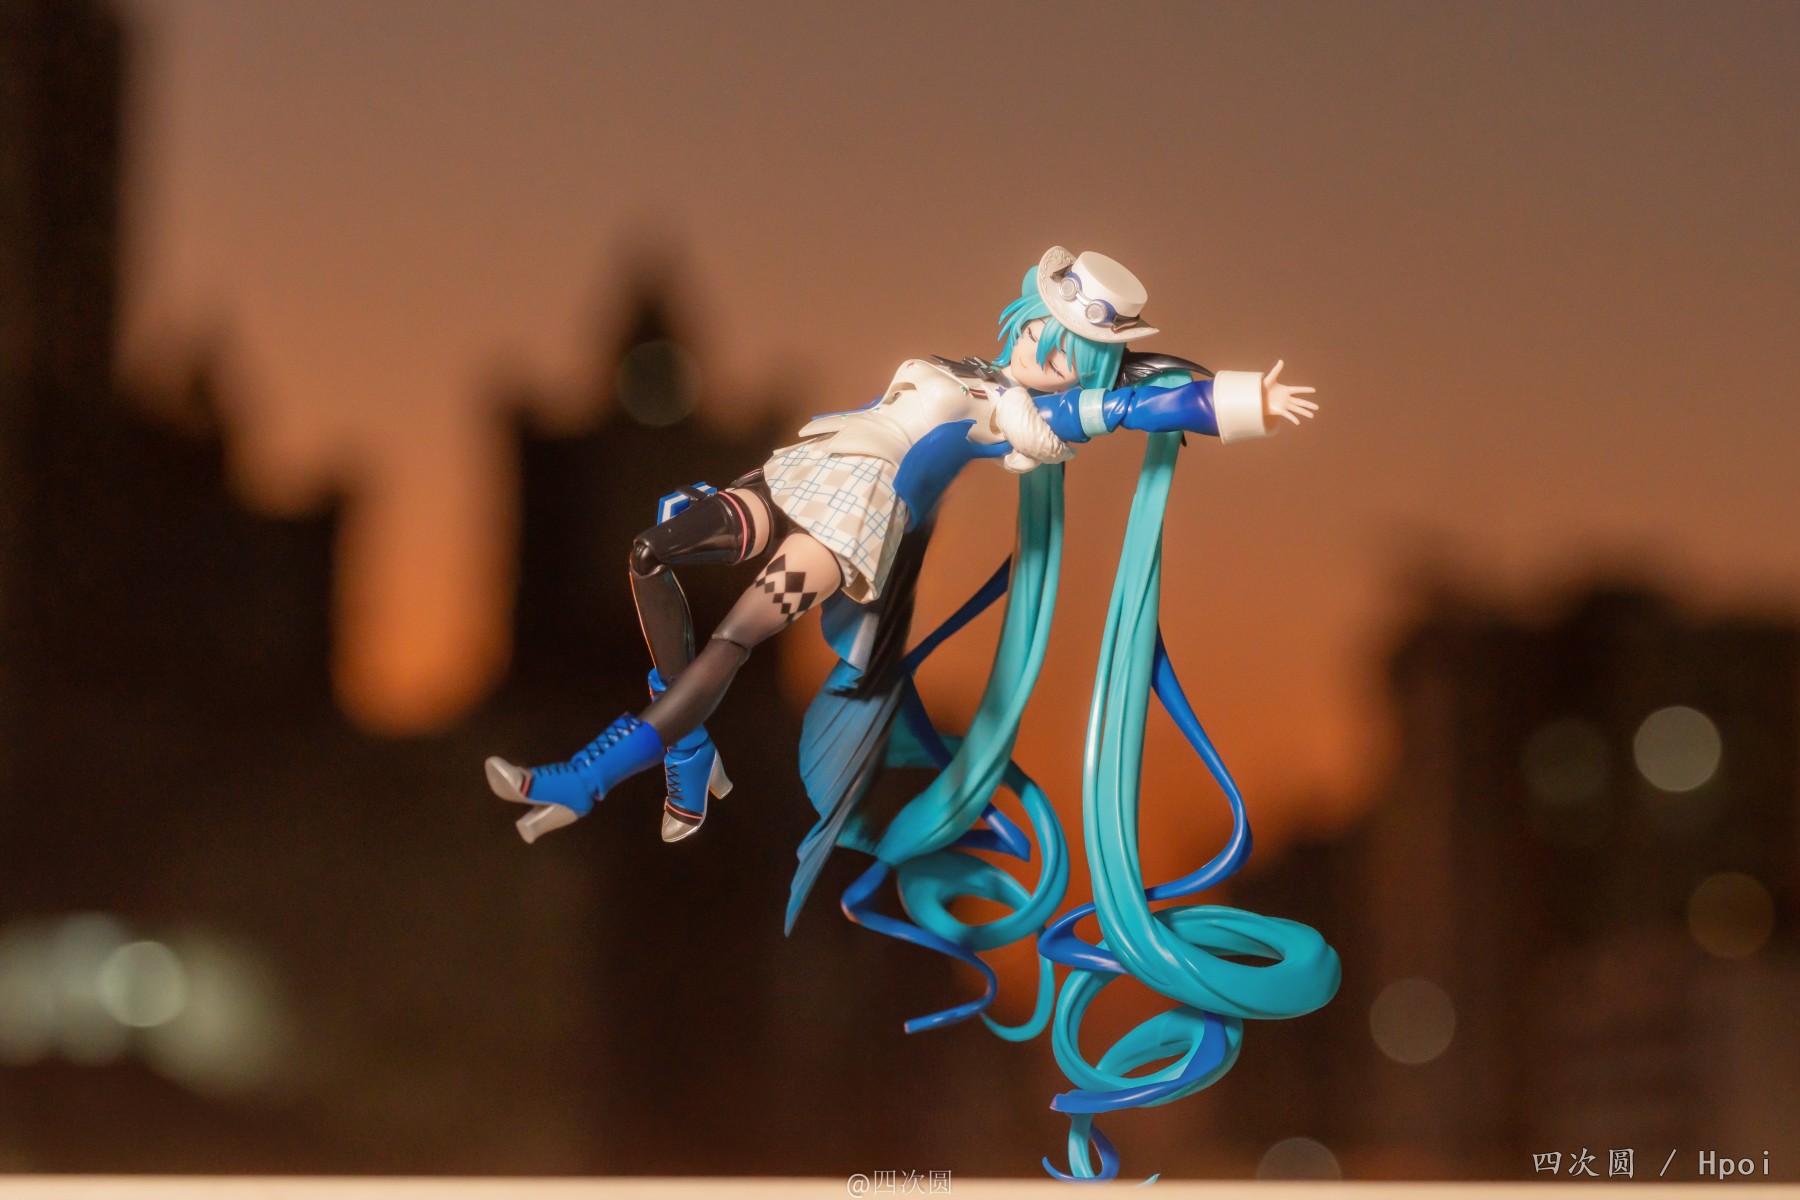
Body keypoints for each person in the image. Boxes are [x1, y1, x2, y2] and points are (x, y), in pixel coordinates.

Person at [484, 246, 1318, 845]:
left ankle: (589, 779)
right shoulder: (966, 368)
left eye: (1068, 354)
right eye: (1043, 327)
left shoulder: (1026, 416)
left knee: (731, 643)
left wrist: (1237, 400)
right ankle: (690, 750)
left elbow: (1129, 408)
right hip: (801, 472)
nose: (1042, 349)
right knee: (649, 553)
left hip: (846, 522)